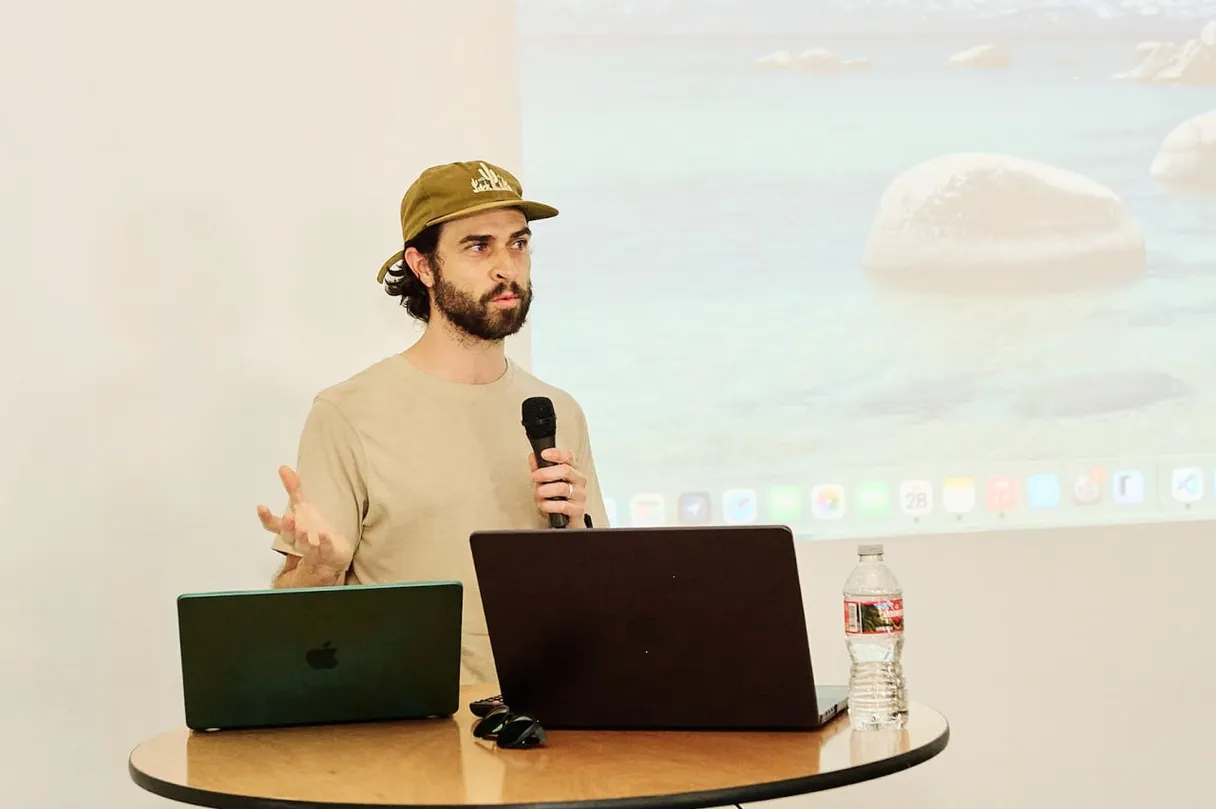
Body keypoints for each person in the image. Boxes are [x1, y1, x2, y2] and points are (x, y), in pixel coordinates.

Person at [255, 160, 609, 684]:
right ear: (422, 267)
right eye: (477, 246)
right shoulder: (349, 412)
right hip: (413, 731)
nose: (506, 267)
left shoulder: (556, 411)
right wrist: (322, 568)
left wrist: (579, 532)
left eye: (518, 243)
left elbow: (602, 599)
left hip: (550, 719)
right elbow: (294, 616)